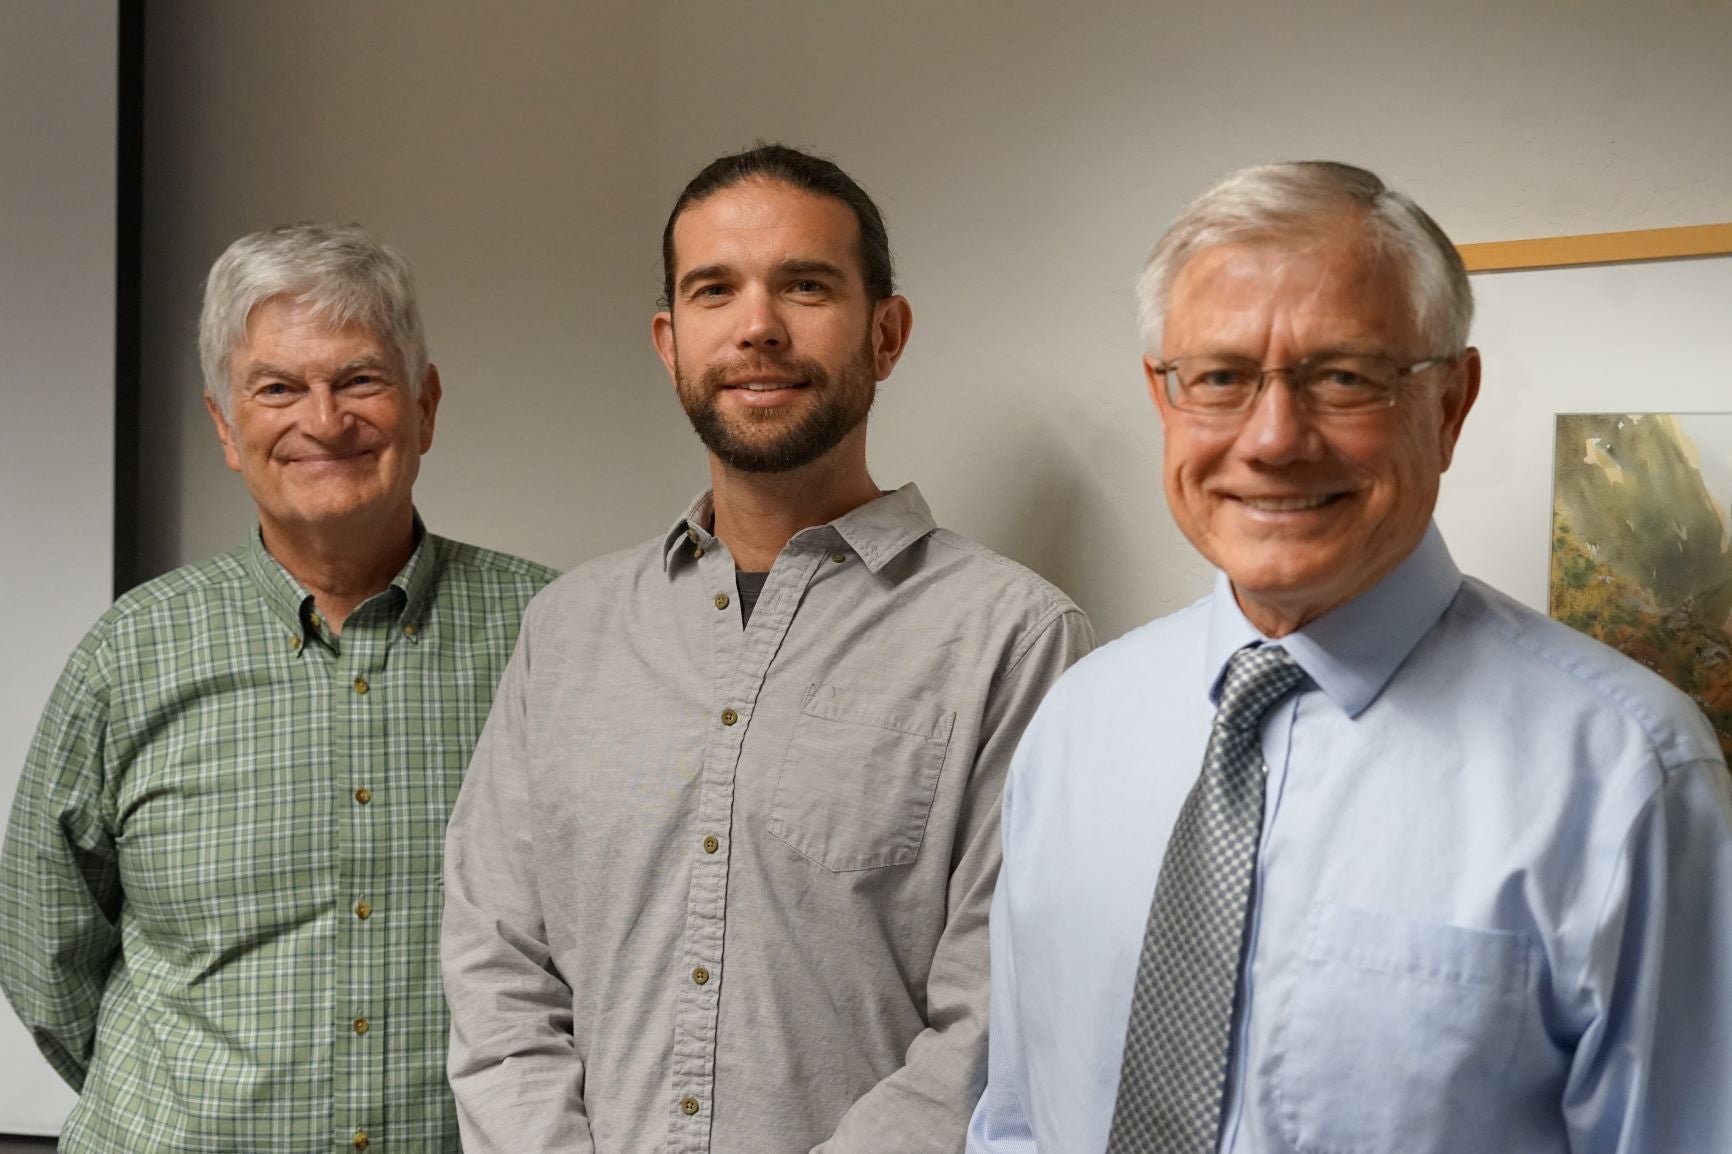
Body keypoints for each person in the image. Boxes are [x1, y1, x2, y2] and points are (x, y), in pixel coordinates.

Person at [969, 161, 1732, 1153]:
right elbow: (1019, 1120)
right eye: (1220, 378)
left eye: (1343, 376)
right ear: (1165, 398)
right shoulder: (1078, 722)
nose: (1274, 438)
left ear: (1451, 403)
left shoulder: (1629, 775)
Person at [441, 143, 1093, 1153]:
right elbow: (499, 971)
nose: (757, 327)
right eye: (715, 290)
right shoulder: (566, 632)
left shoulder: (1013, 640)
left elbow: (999, 1017)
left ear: (886, 333)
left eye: (804, 285)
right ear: (669, 340)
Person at [0, 223, 556, 1153]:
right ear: (226, 425)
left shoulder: (552, 635)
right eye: (277, 388)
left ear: (425, 405)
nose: (325, 419)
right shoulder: (131, 654)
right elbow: (42, 946)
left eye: (361, 380)